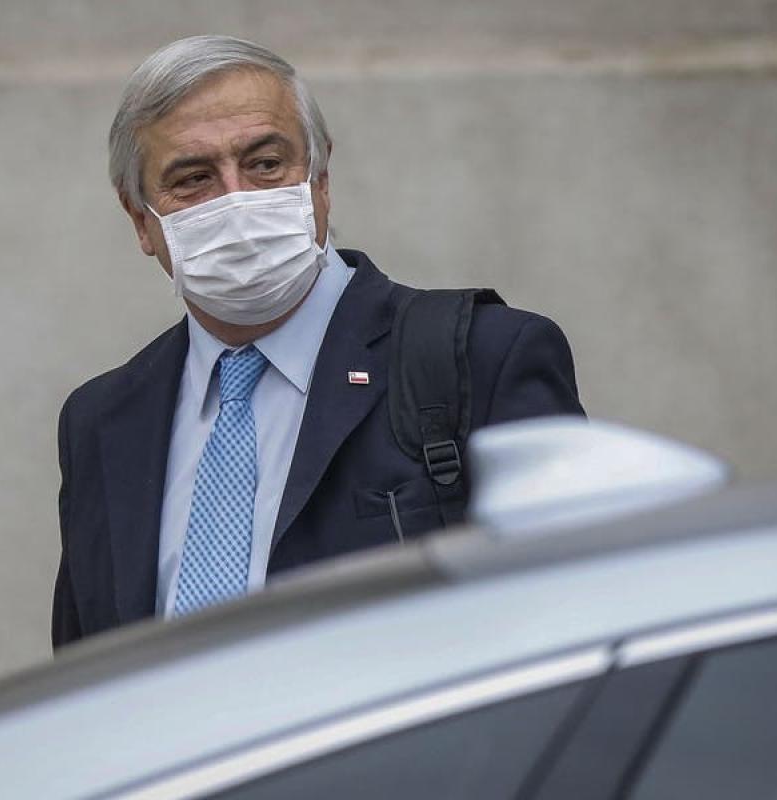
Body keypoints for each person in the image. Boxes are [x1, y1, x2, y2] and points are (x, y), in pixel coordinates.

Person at [52, 35, 583, 647]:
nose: (238, 201)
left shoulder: (482, 358)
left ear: (320, 179)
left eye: (265, 164)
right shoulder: (102, 422)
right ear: (141, 220)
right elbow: (85, 670)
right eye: (194, 178)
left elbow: (573, 621)